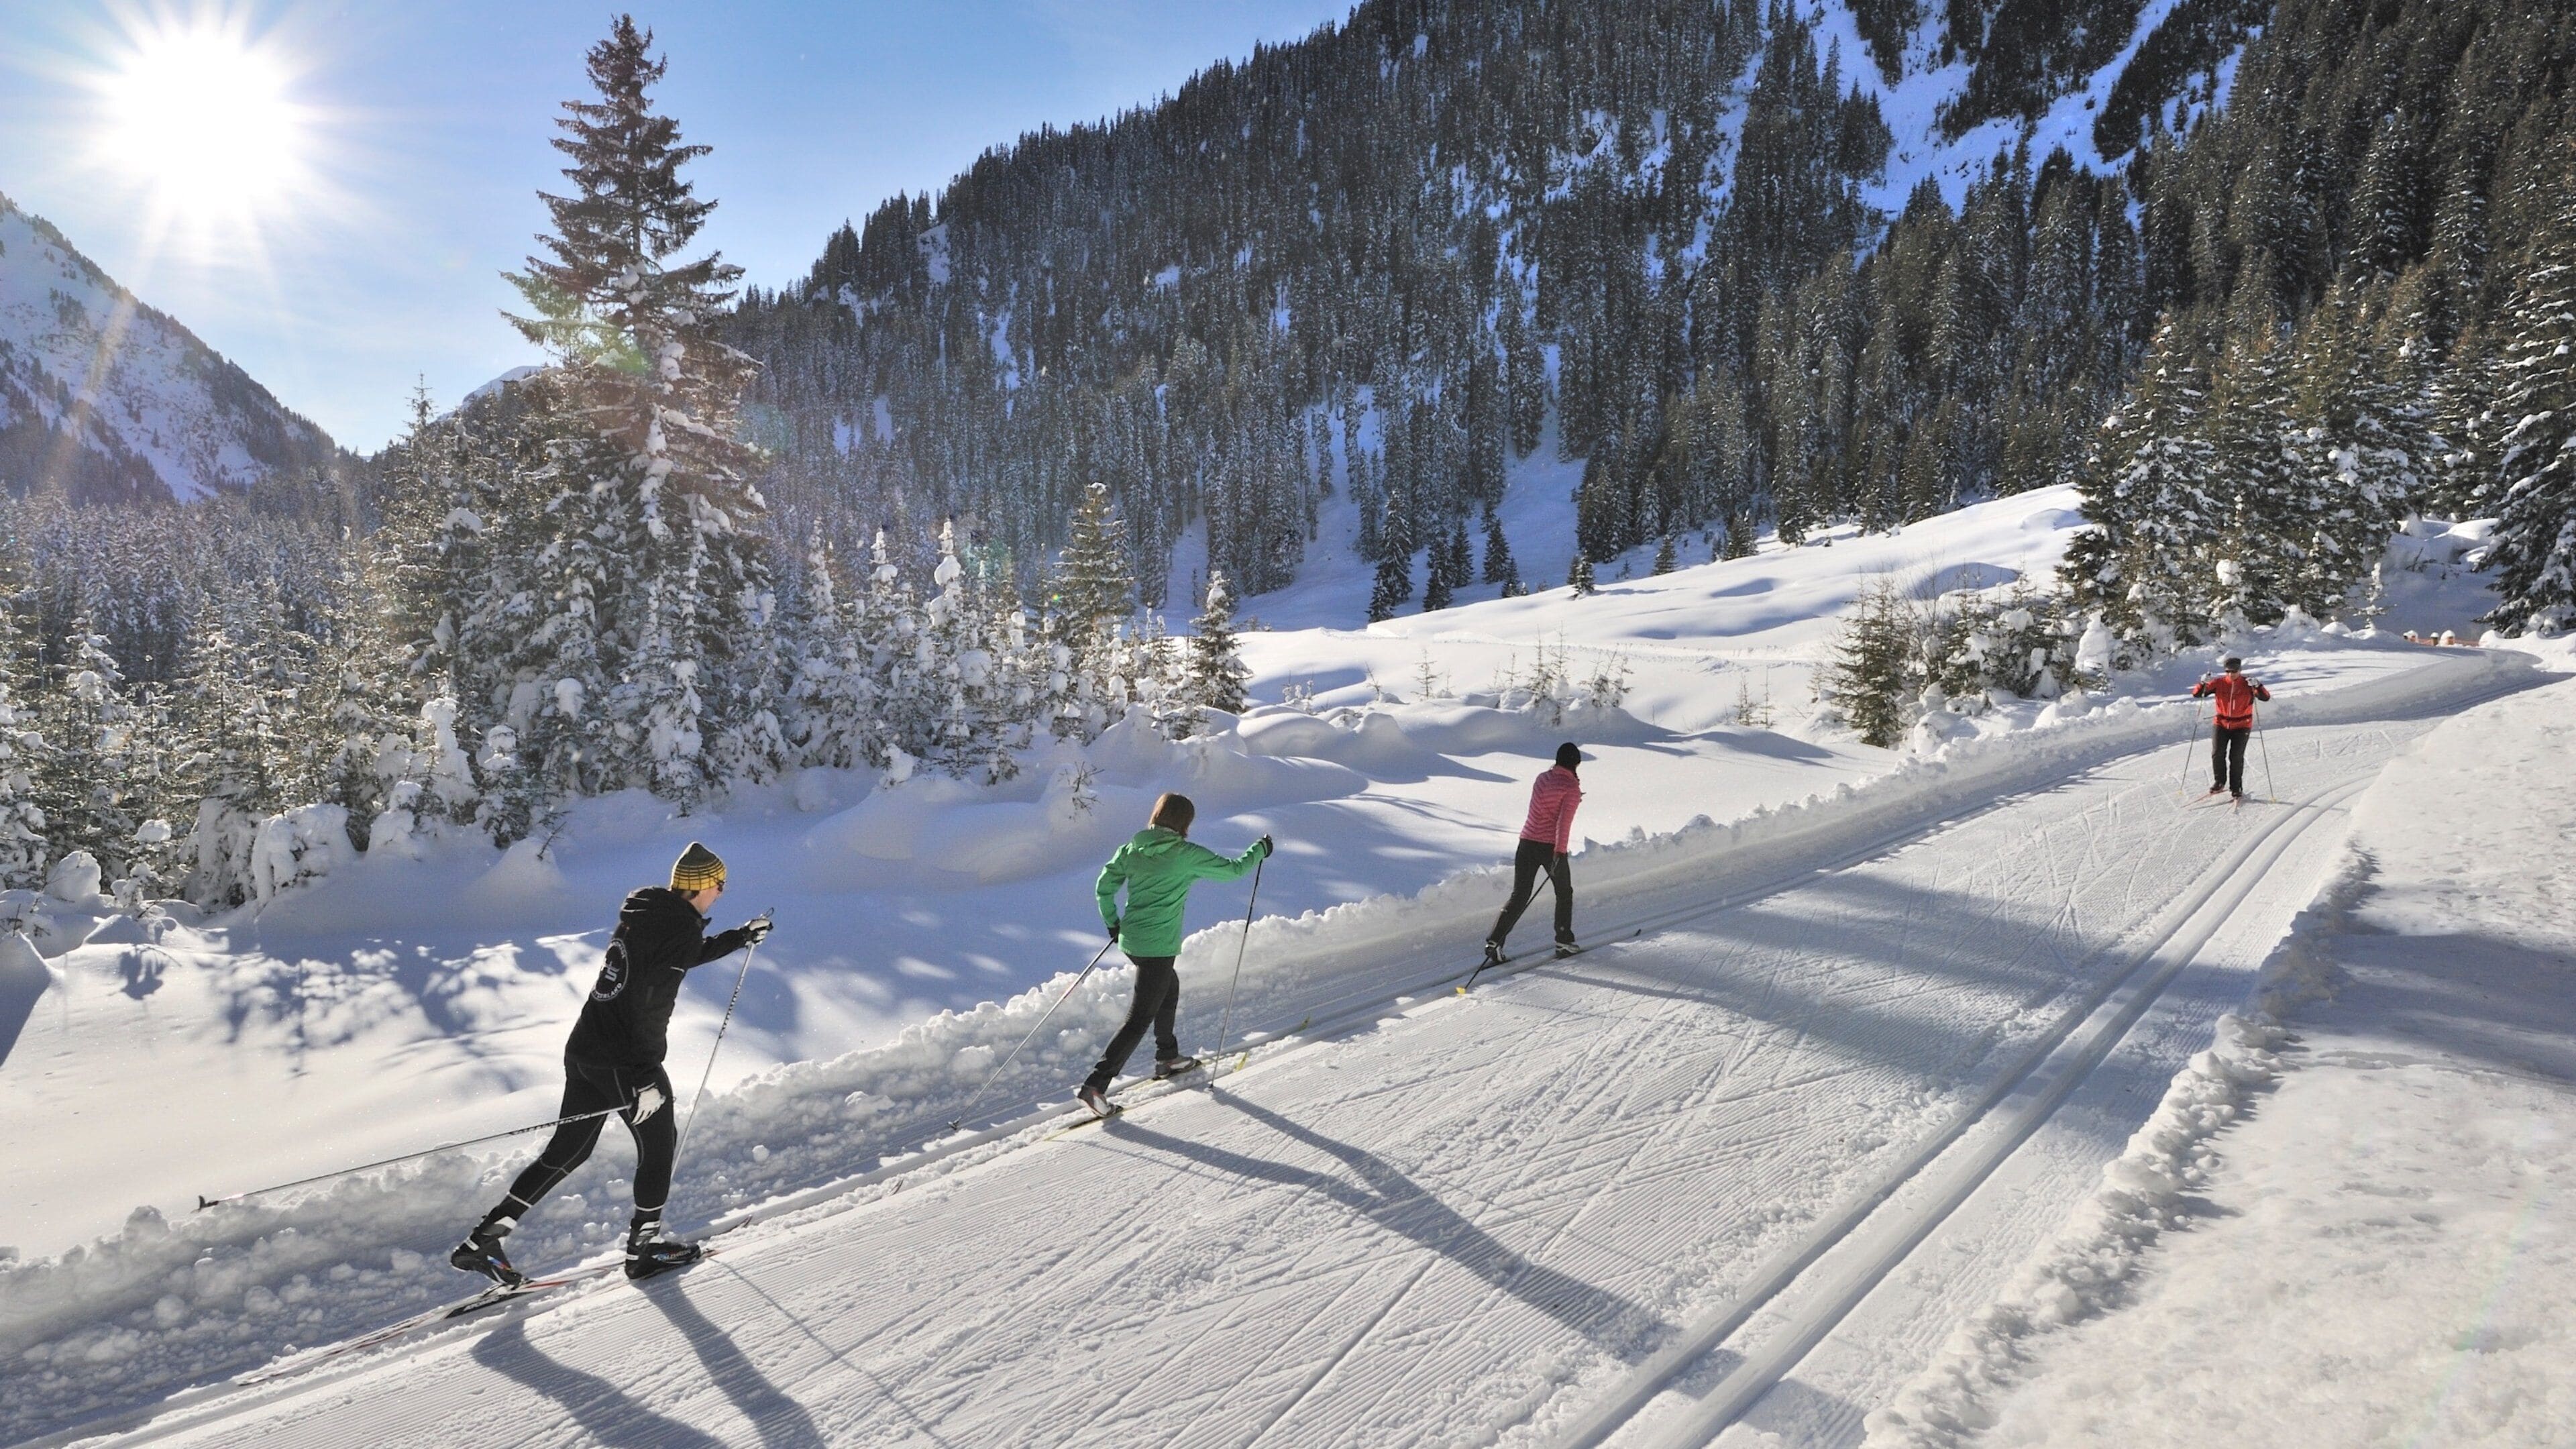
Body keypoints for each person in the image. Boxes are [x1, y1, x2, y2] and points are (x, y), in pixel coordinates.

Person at [450, 842, 772, 1285]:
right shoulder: (677, 929)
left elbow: (673, 959)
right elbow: (650, 1003)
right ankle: (643, 1252)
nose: (721, 893)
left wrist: (738, 937)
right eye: (720, 885)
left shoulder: (649, 915)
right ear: (704, 886)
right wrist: (644, 1076)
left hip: (585, 1049)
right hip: (626, 1059)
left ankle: (483, 1240)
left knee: (569, 1151)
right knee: (659, 1147)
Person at [1081, 792, 1271, 1117]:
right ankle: (1095, 1086)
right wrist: (1260, 850)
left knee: (1169, 989)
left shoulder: (1131, 849)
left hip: (1132, 941)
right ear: (1185, 824)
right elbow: (1234, 871)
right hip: (1157, 947)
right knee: (1139, 1018)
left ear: (1156, 815)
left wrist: (1112, 922)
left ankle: (1168, 1057)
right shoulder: (1185, 854)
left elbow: (1104, 886)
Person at [1484, 743, 1585, 967]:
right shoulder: (1571, 788)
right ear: (1574, 763)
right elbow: (1563, 824)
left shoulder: (1541, 778)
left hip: (1526, 842)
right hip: (1550, 847)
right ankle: (1564, 941)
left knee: (1520, 895)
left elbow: (1540, 811)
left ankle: (1495, 941)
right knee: (1564, 892)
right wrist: (1560, 851)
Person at [2190, 656, 2271, 799]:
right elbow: (2197, 694)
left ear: (2240, 670)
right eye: (2228, 671)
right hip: (2221, 723)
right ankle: (2220, 782)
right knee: (2217, 753)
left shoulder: (2248, 684)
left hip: (2242, 725)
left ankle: (2236, 787)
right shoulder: (2219, 683)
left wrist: (2258, 685)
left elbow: (2265, 698)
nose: (2231, 674)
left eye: (2234, 671)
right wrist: (2203, 683)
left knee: (2236, 756)